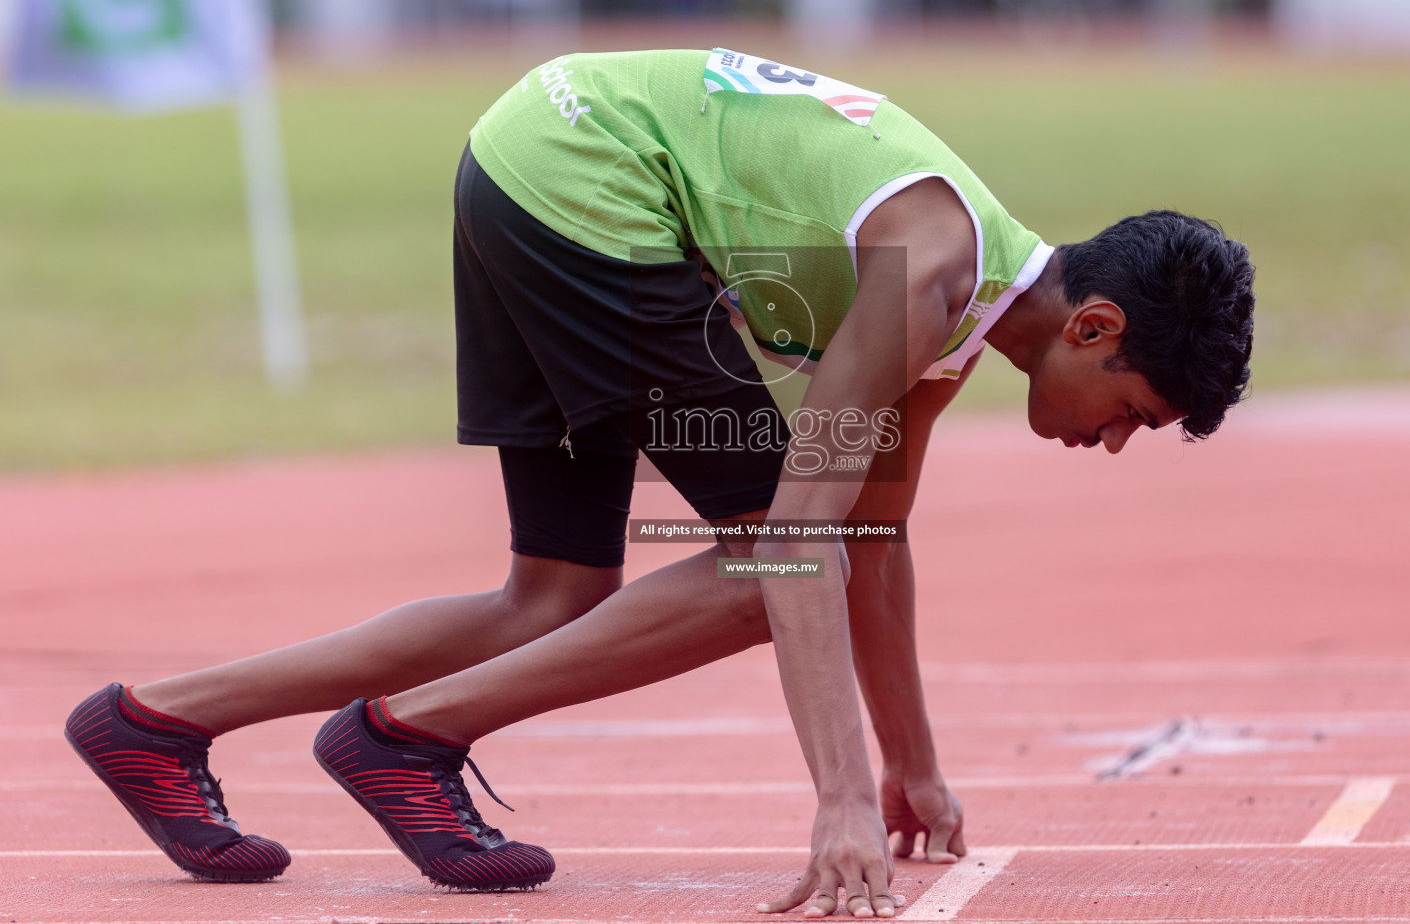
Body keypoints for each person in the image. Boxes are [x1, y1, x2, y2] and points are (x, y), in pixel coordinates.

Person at [66, 48, 1254, 916]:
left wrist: (914, 763)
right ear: (1094, 327)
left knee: (554, 590)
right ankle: (404, 739)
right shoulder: (933, 276)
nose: (1111, 444)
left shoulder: (960, 307)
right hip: (589, 188)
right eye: (1133, 418)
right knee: (773, 566)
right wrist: (841, 796)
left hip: (530, 156)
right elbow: (803, 542)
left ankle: (155, 723)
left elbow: (876, 536)